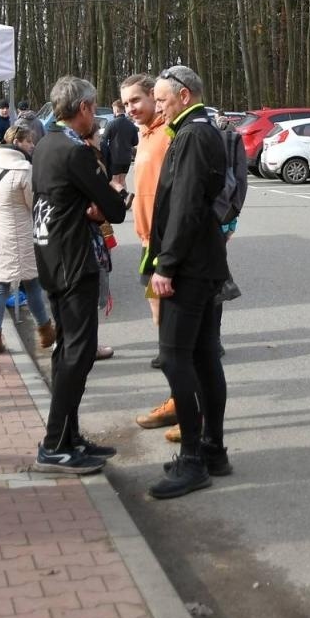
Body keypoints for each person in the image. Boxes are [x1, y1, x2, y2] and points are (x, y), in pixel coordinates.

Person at [144, 65, 233, 499]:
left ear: (184, 96)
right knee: (201, 356)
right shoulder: (194, 131)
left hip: (190, 265)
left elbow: (186, 204)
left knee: (176, 356)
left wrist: (166, 264)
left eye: (161, 99)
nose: (157, 106)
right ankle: (213, 450)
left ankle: (194, 457)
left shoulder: (194, 134)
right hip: (200, 262)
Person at [31, 76, 127, 475]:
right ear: (85, 108)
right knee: (78, 352)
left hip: (51, 257)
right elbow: (115, 209)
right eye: (95, 109)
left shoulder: (44, 144)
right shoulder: (75, 151)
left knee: (68, 349)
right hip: (74, 261)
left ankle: (69, 436)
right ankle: (55, 443)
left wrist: (92, 203)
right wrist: (108, 198)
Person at [124, 73, 179, 437]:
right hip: (148, 244)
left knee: (176, 330)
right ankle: (180, 399)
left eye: (137, 101)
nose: (131, 109)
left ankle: (184, 406)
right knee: (161, 320)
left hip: (165, 247)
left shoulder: (167, 135)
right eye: (126, 103)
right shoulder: (143, 136)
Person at [0, 114, 56, 356]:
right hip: (20, 235)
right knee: (32, 284)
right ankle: (45, 331)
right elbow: (33, 204)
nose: (32, 146)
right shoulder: (23, 169)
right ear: (19, 143)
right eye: (29, 143)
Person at [103, 99, 139, 186]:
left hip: (114, 157)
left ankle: (116, 199)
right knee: (122, 181)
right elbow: (135, 142)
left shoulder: (111, 124)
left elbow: (104, 140)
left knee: (114, 181)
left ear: (116, 109)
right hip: (127, 158)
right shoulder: (131, 125)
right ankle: (124, 198)